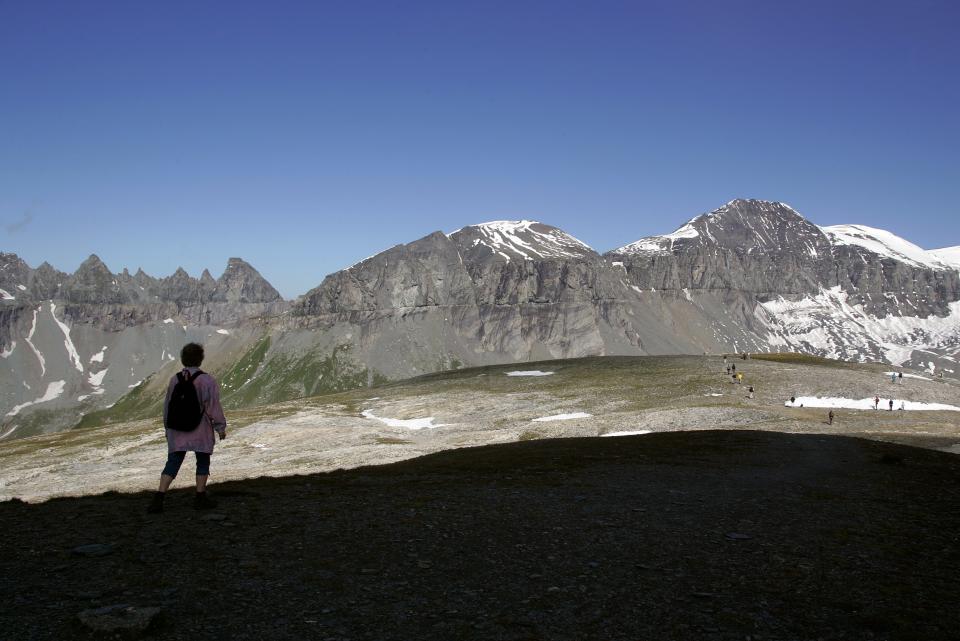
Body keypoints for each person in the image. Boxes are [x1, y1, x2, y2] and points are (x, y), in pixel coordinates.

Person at [148, 343, 227, 513]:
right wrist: (220, 427)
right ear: (200, 359)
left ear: (183, 359)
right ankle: (200, 497)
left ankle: (159, 498)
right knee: (203, 460)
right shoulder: (207, 380)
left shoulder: (174, 379)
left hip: (176, 429)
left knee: (173, 462)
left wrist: (167, 429)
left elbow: (167, 406)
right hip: (200, 428)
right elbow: (213, 406)